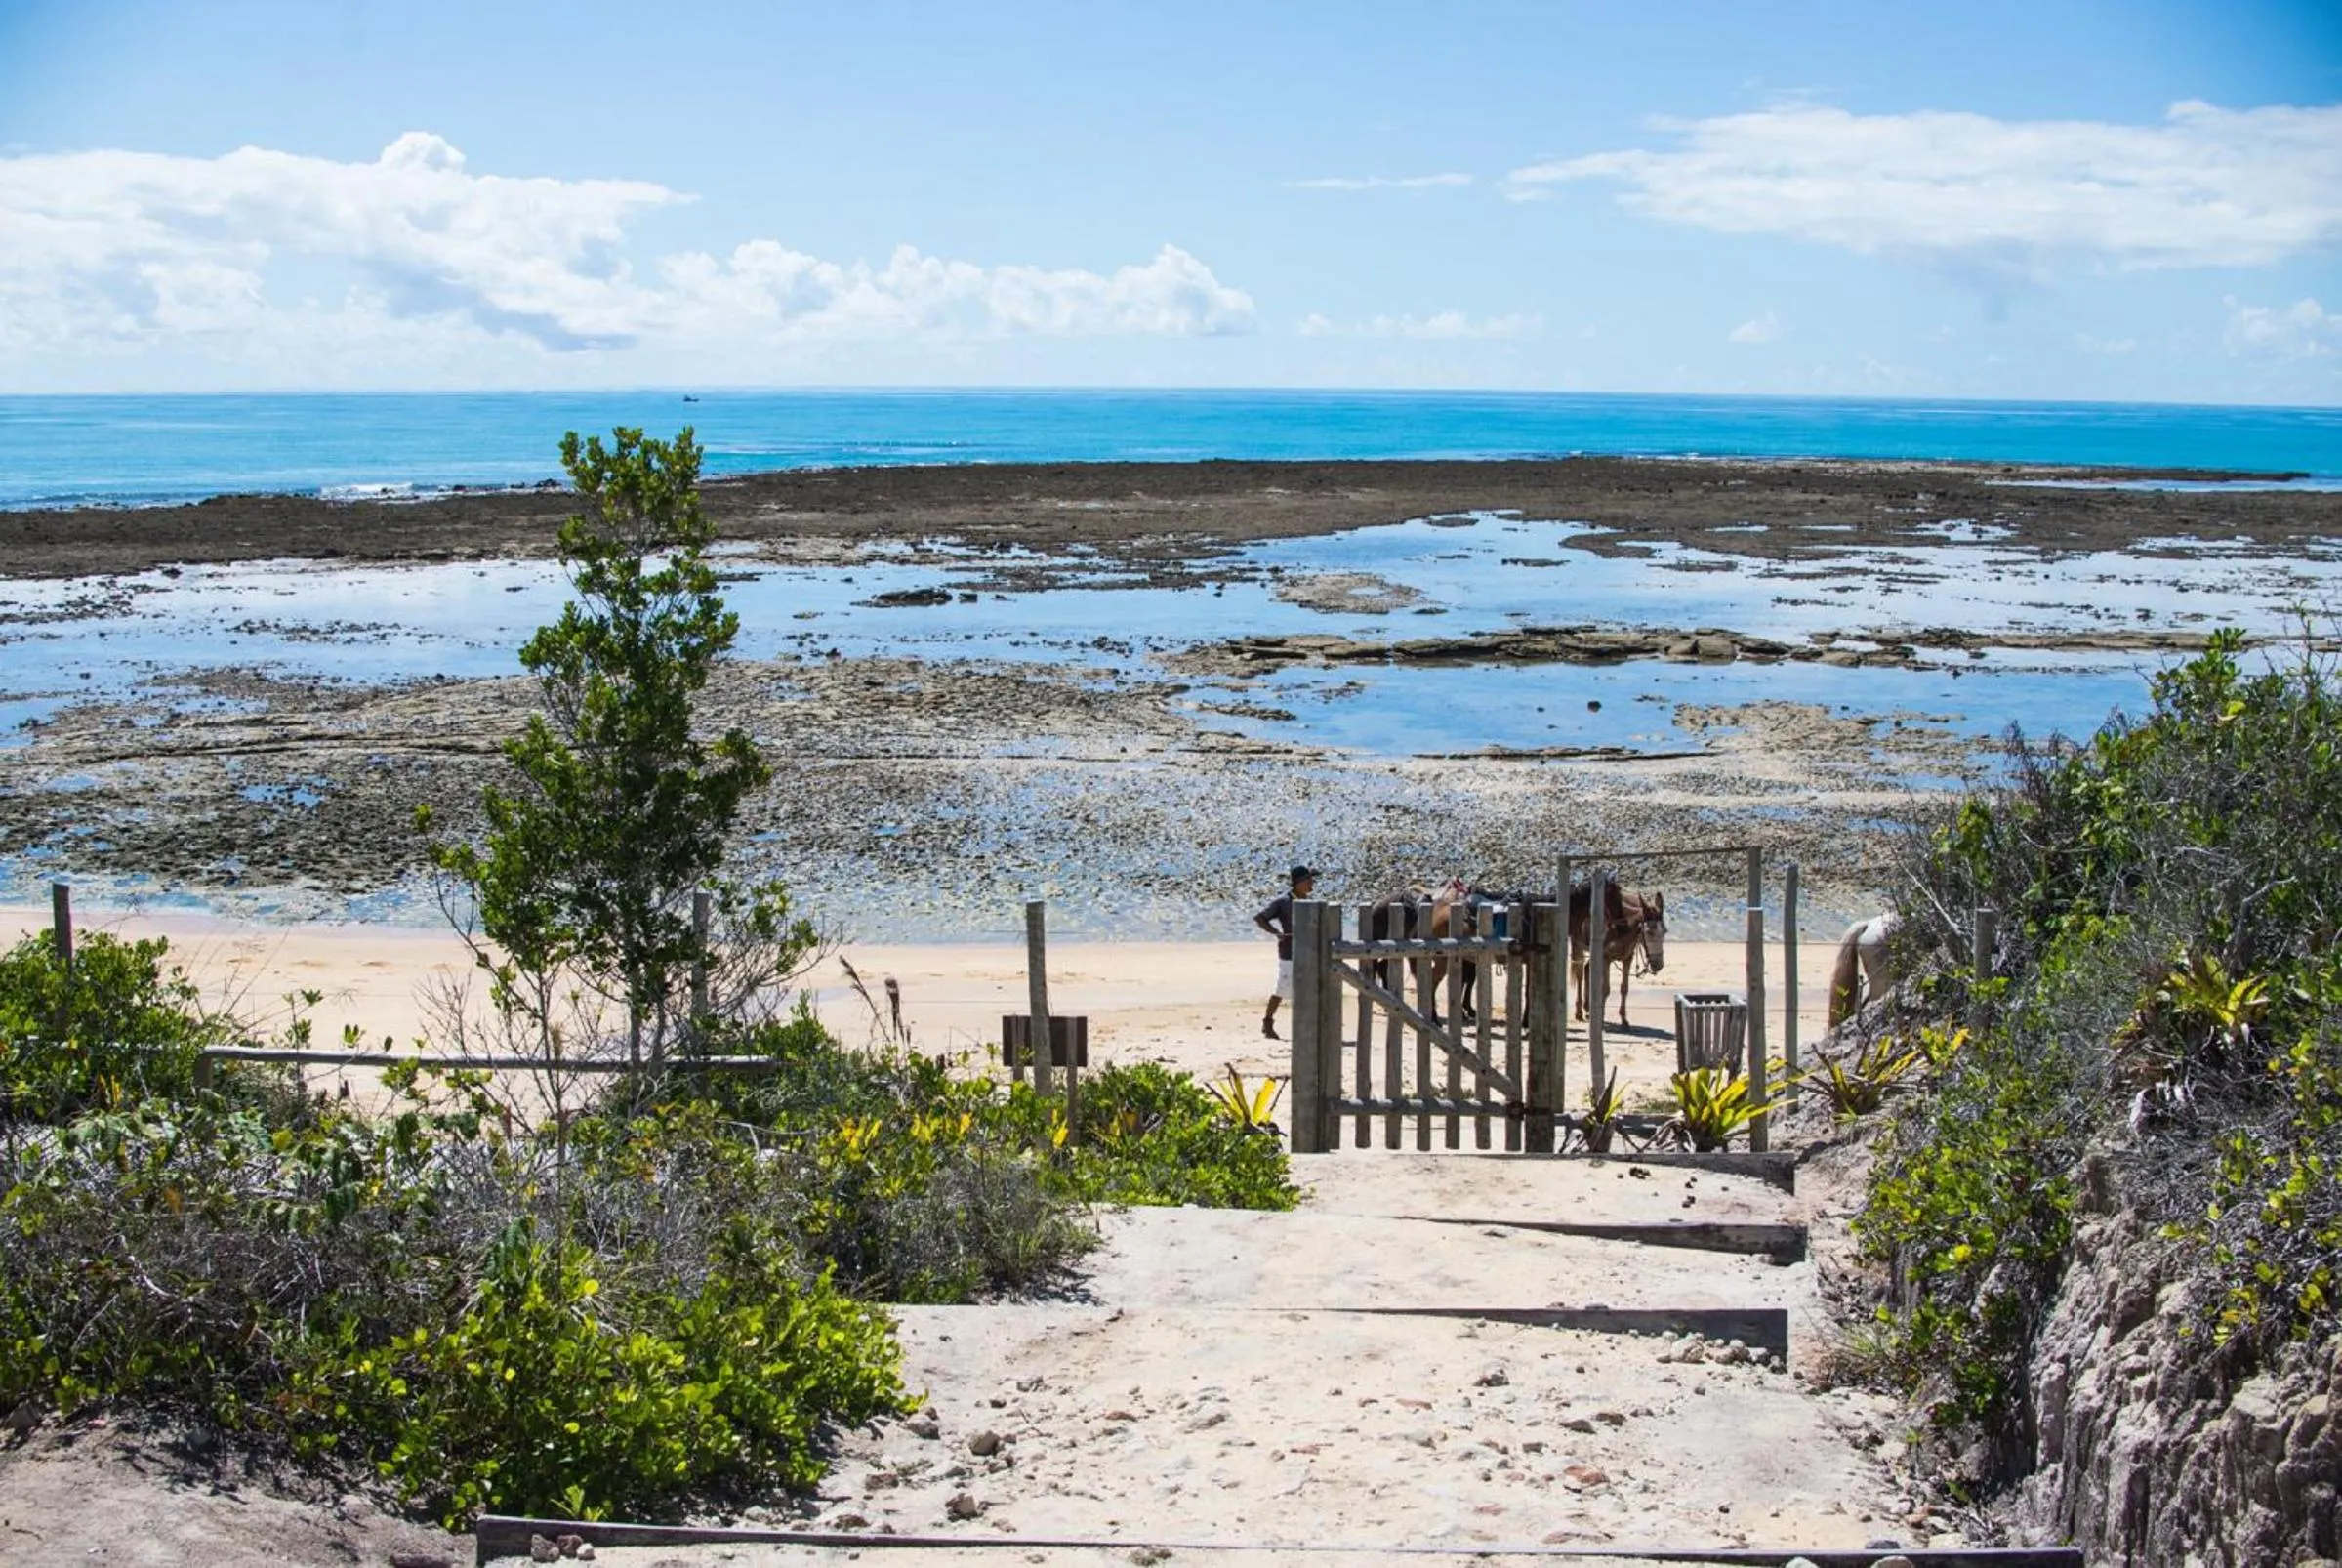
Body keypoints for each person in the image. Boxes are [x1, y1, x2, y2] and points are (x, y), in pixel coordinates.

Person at [1254, 865, 1317, 1039]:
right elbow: (1260, 918)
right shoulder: (1282, 902)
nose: (1313, 883)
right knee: (1282, 988)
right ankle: (1267, 1022)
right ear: (1298, 883)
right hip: (1288, 952)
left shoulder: (1310, 901)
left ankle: (1309, 1025)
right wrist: (1277, 933)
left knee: (1309, 988)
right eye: (1309, 880)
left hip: (1308, 951)